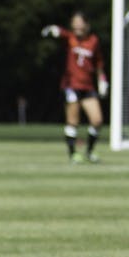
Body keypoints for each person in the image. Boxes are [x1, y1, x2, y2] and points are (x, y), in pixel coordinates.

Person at [41, 12, 107, 163]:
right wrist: (53, 29)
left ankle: (89, 152)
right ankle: (73, 154)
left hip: (88, 86)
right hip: (71, 85)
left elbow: (99, 64)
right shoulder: (70, 39)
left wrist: (102, 80)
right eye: (74, 22)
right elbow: (61, 33)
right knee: (73, 121)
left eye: (80, 22)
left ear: (87, 24)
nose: (77, 25)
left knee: (97, 120)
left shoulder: (94, 41)